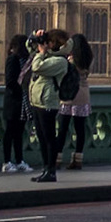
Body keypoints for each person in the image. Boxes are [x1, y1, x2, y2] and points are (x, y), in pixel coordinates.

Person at [25, 30, 70, 182]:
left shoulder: (60, 61)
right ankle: (45, 169)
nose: (46, 44)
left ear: (54, 44)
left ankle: (51, 171)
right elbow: (30, 49)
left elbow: (36, 66)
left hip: (48, 103)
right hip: (38, 101)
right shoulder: (48, 56)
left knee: (49, 138)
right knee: (42, 138)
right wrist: (35, 36)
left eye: (48, 41)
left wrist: (41, 52)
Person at [56, 32, 95, 170]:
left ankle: (57, 159)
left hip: (69, 95)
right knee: (80, 130)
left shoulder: (70, 61)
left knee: (62, 129)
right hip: (84, 95)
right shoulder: (88, 59)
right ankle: (78, 159)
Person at [0, 34, 32, 173]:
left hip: (23, 102)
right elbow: (10, 82)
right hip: (13, 101)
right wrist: (22, 89)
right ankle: (6, 162)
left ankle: (19, 161)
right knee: (9, 132)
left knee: (19, 133)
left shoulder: (25, 61)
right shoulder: (13, 59)